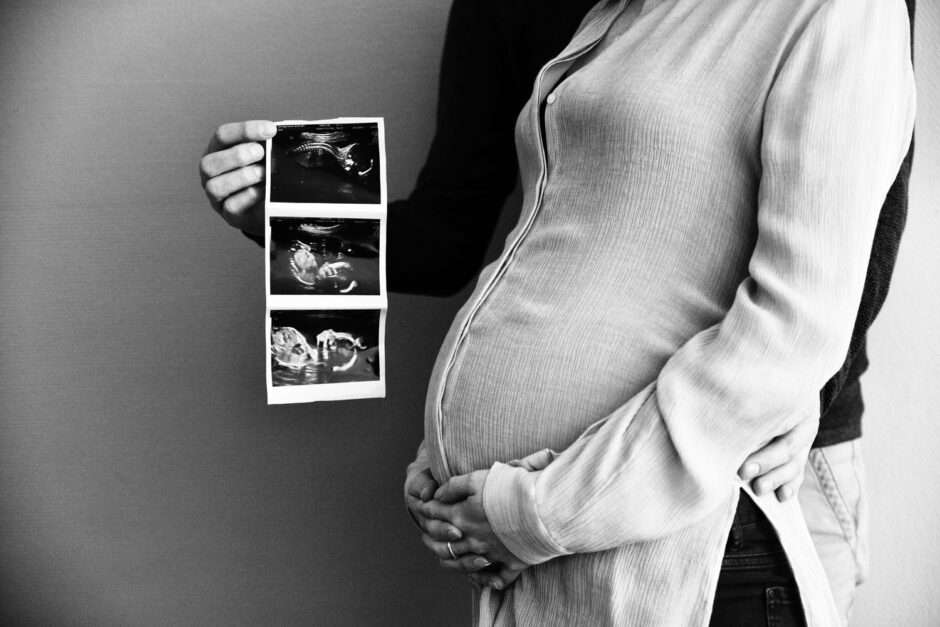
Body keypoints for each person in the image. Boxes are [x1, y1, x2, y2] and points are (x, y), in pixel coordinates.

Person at [199, 0, 915, 624]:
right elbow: (457, 236)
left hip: (747, 464)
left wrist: (799, 393)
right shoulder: (576, 12)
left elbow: (850, 212)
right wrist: (294, 211)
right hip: (514, 525)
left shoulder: (828, 12)